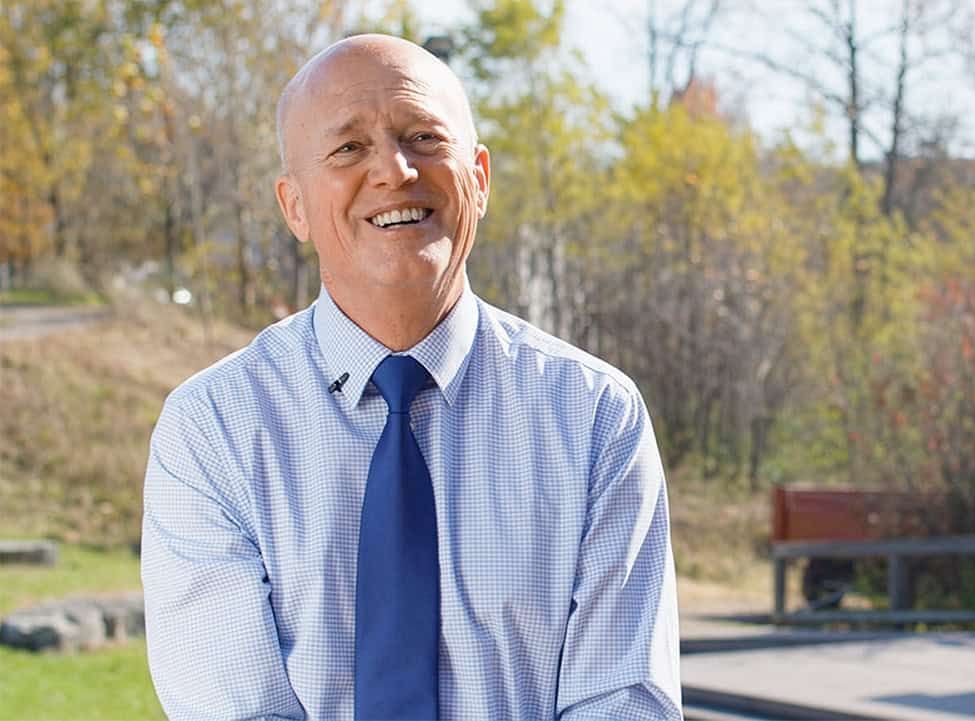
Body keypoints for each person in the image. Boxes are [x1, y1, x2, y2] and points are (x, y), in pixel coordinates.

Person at [141, 34, 681, 721]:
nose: (394, 171)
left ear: (479, 178)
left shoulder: (595, 416)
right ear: (294, 205)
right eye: (347, 148)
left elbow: (620, 703)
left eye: (423, 136)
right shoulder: (212, 431)